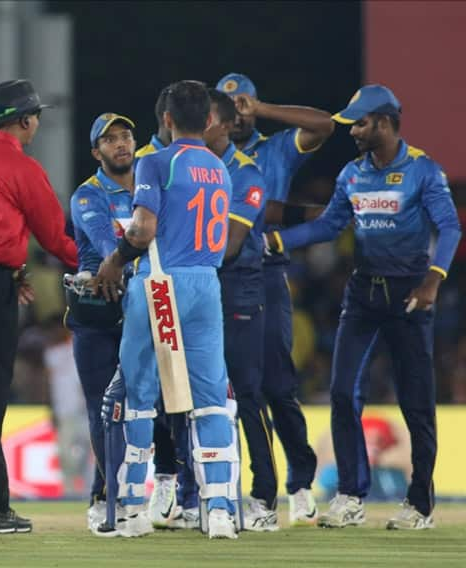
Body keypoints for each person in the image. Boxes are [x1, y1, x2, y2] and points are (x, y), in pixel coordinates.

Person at [265, 84, 461, 530]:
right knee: (341, 392)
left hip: (411, 293)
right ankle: (351, 496)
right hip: (363, 293)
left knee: (416, 402)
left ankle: (419, 504)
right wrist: (278, 240)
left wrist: (434, 278)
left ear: (387, 123)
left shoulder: (423, 170)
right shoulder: (352, 174)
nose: (353, 130)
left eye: (361, 122)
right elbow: (332, 225)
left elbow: (449, 228)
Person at [95, 80, 238, 540]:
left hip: (161, 282)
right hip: (207, 284)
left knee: (139, 398)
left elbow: (142, 229)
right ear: (211, 120)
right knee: (212, 399)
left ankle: (134, 511)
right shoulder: (220, 168)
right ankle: (219, 510)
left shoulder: (155, 162)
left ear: (167, 121)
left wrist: (114, 262)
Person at [0, 79, 78, 534]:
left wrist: (11, 264)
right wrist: (106, 263)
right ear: (26, 120)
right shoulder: (22, 168)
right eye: (36, 116)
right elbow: (56, 238)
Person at [217, 72, 334, 525]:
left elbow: (324, 125)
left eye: (243, 105)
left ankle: (301, 483)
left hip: (265, 274)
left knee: (278, 386)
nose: (237, 115)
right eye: (229, 108)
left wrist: (261, 110)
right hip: (223, 274)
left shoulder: (277, 148)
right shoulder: (210, 156)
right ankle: (258, 494)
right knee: (241, 389)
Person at [203, 88, 278, 531]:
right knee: (204, 397)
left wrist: (185, 258)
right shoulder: (193, 169)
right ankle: (209, 495)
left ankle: (264, 498)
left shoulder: (246, 173)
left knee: (248, 394)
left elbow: (229, 246)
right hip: (201, 283)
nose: (202, 126)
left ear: (229, 124)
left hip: (238, 289)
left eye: (209, 119)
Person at [67, 112, 136, 531]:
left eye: (125, 136)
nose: (120, 144)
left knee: (148, 405)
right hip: (97, 312)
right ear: (97, 152)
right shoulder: (88, 195)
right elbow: (109, 245)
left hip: (143, 306)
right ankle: (108, 497)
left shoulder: (151, 189)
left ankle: (156, 493)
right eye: (110, 140)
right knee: (101, 408)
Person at [136, 85, 198, 531]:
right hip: (162, 288)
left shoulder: (163, 161)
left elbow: (140, 229)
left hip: (172, 284)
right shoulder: (150, 160)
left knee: (191, 395)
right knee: (158, 396)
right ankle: (169, 482)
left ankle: (198, 494)